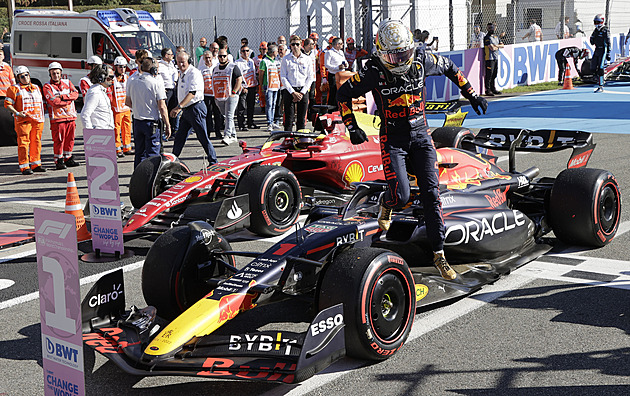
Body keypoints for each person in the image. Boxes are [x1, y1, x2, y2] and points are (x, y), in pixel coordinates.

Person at [337, 19, 488, 280]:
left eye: (403, 53)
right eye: (393, 55)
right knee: (402, 196)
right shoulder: (373, 69)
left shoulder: (421, 58)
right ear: (381, 53)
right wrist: (351, 126)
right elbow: (343, 94)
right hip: (392, 138)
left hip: (421, 135)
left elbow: (451, 67)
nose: (399, 60)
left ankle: (439, 255)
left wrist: (471, 93)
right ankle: (387, 203)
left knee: (432, 194)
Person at [170, 51, 217, 163]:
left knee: (203, 137)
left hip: (196, 108)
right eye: (178, 62)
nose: (181, 65)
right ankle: (172, 160)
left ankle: (213, 161)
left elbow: (192, 93)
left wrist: (178, 107)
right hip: (187, 109)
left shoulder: (193, 73)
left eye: (183, 62)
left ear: (189, 61)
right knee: (180, 137)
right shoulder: (182, 73)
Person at [126, 57, 171, 168]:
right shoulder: (156, 83)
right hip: (152, 123)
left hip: (137, 121)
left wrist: (138, 108)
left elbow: (127, 102)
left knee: (139, 153)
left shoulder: (132, 81)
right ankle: (151, 181)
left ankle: (138, 179)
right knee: (153, 155)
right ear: (154, 70)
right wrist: (168, 125)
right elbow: (162, 107)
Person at [5, 66, 46, 175]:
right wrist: (17, 113)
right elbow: (8, 104)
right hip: (23, 121)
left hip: (37, 121)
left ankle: (36, 164)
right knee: (23, 144)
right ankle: (24, 166)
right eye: (21, 76)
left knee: (36, 142)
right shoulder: (14, 89)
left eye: (26, 75)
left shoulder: (36, 87)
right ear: (18, 78)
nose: (25, 78)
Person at [42, 62, 80, 170]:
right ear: (50, 74)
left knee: (70, 139)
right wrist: (68, 100)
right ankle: (59, 160)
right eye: (53, 73)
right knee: (59, 140)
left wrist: (63, 97)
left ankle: (68, 158)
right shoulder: (47, 86)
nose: (56, 75)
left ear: (61, 73)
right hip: (57, 119)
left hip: (70, 117)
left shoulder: (67, 82)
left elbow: (76, 94)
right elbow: (54, 102)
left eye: (58, 73)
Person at [280, 35, 314, 131]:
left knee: (301, 119)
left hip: (302, 89)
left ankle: (300, 141)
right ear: (290, 46)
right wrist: (292, 92)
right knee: (289, 119)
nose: (295, 46)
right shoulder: (286, 59)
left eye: (297, 44)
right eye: (293, 44)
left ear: (301, 45)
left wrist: (302, 92)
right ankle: (287, 140)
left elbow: (310, 77)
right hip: (290, 90)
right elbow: (283, 76)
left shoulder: (307, 59)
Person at [212, 48, 242, 145]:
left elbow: (239, 79)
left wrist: (234, 92)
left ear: (227, 56)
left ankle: (227, 135)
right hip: (219, 96)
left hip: (231, 96)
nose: (222, 58)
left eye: (224, 56)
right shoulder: (215, 68)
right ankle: (233, 135)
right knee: (226, 116)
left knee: (229, 115)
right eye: (220, 56)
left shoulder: (233, 67)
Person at [81, 64, 115, 131]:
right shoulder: (95, 92)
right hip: (99, 134)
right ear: (101, 77)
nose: (112, 79)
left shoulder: (101, 91)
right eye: (110, 77)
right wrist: (90, 133)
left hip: (106, 132)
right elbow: (85, 115)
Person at [111, 56, 133, 157]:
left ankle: (127, 147)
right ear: (115, 67)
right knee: (116, 129)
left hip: (126, 108)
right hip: (116, 109)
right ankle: (117, 148)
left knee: (127, 128)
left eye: (124, 67)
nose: (123, 69)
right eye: (120, 67)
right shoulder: (112, 79)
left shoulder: (127, 78)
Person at [235, 44, 259, 130]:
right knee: (241, 107)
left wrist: (256, 84)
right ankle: (241, 124)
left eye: (247, 51)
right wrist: (241, 87)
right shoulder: (237, 63)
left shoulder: (251, 61)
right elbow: (237, 76)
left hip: (252, 86)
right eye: (243, 51)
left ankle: (250, 122)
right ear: (240, 53)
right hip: (243, 88)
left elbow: (253, 74)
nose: (245, 53)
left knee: (251, 106)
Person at [259, 44, 281, 131]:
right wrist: (261, 85)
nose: (277, 53)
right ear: (273, 52)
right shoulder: (264, 61)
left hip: (275, 86)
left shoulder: (276, 61)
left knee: (274, 104)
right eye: (276, 51)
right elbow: (261, 74)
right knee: (269, 104)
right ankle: (269, 122)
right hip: (268, 86)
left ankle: (273, 122)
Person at [158, 47, 179, 139]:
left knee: (173, 109)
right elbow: (158, 78)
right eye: (171, 54)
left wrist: (175, 81)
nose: (172, 56)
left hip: (173, 89)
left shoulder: (172, 64)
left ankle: (173, 130)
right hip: (165, 90)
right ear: (166, 56)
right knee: (164, 111)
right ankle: (163, 131)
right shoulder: (160, 66)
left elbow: (175, 74)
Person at [324, 37, 348, 110]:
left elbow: (345, 61)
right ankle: (331, 110)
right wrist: (337, 67)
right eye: (341, 43)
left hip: (342, 75)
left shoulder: (341, 52)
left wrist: (346, 65)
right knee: (333, 92)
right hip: (334, 75)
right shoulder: (329, 52)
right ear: (337, 44)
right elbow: (327, 65)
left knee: (342, 92)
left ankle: (339, 108)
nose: (342, 45)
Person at [591, 14, 611, 93]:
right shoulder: (595, 31)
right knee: (592, 67)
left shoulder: (605, 30)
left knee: (600, 67)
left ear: (602, 22)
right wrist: (592, 38)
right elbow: (592, 42)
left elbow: (608, 42)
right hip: (597, 50)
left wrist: (608, 52)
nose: (596, 24)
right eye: (595, 22)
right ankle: (599, 79)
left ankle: (601, 85)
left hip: (603, 50)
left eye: (598, 22)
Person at [483, 22, 504, 96]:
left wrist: (496, 45)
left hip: (496, 57)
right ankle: (487, 90)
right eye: (489, 28)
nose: (491, 29)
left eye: (491, 27)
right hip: (489, 58)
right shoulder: (487, 37)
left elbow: (502, 45)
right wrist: (496, 46)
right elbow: (492, 48)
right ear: (487, 29)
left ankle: (493, 88)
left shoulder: (496, 37)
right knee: (489, 74)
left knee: (494, 74)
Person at [303, 37, 318, 122]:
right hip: (305, 79)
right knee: (306, 97)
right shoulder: (302, 54)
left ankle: (311, 115)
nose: (314, 45)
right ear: (307, 45)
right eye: (312, 44)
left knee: (312, 96)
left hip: (313, 78)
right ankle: (304, 114)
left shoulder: (314, 53)